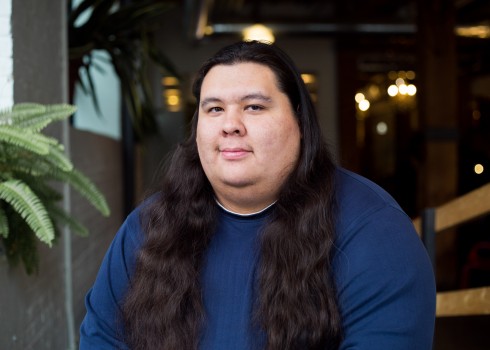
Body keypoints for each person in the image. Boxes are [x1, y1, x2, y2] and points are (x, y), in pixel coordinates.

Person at [80, 40, 436, 350]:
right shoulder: (147, 229)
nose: (230, 123)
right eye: (214, 108)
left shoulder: (374, 232)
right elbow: (102, 340)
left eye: (254, 106)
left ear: (299, 121)